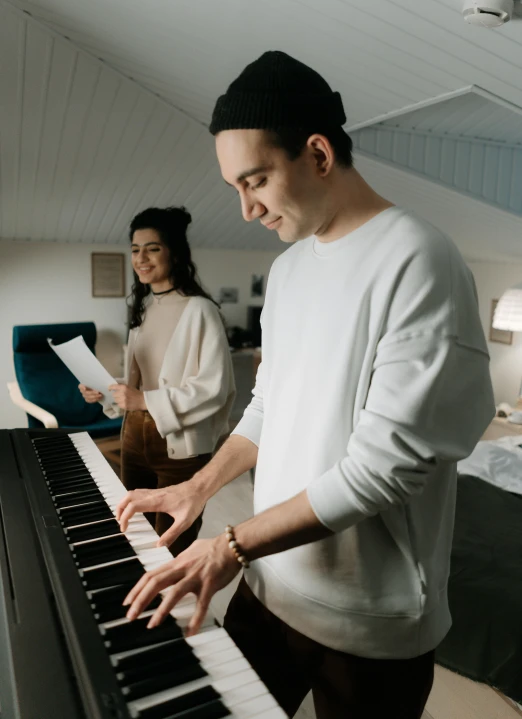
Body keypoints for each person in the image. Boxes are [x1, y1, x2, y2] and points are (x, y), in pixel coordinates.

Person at [115, 53, 495, 718]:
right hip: (268, 585)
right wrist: (198, 485)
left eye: (255, 179)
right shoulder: (288, 274)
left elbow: (383, 471)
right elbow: (269, 405)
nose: (245, 206)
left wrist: (229, 542)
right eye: (234, 186)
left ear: (318, 154)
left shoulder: (419, 259)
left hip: (371, 623)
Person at [80, 206, 235, 555]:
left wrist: (144, 400)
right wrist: (105, 391)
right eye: (135, 249)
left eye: (152, 248)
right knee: (133, 536)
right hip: (134, 441)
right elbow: (140, 383)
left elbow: (214, 387)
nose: (141, 258)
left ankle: (169, 607)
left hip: (179, 451)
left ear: (175, 253)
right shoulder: (142, 309)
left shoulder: (202, 311)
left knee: (169, 548)